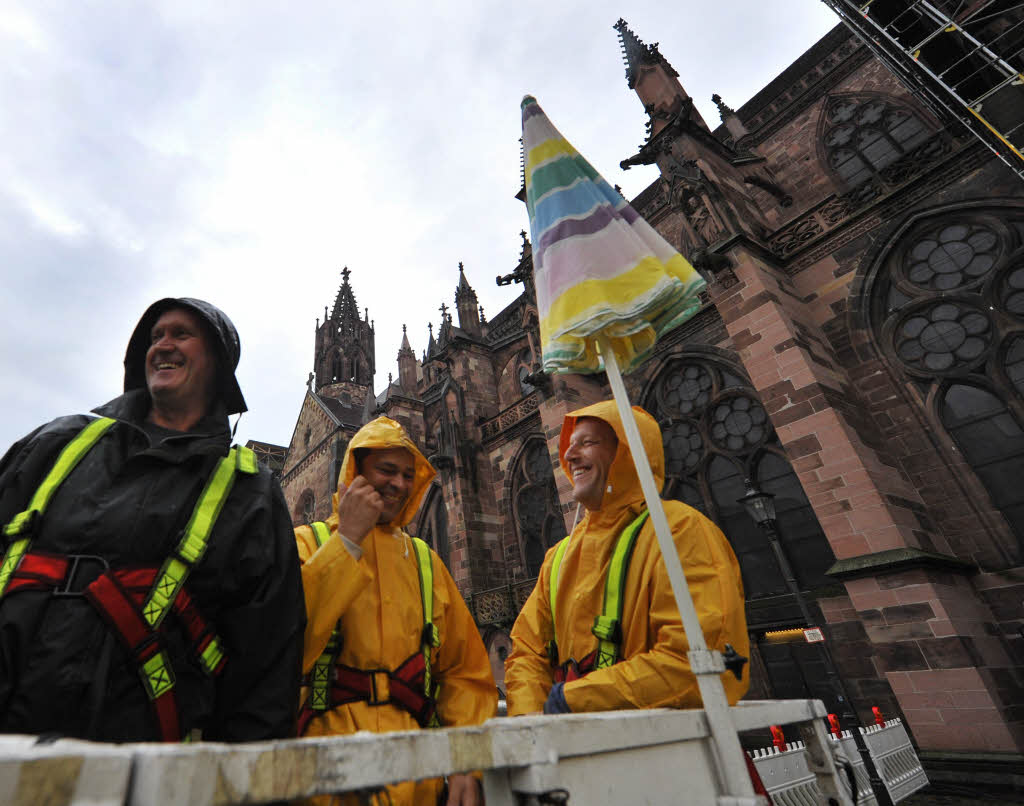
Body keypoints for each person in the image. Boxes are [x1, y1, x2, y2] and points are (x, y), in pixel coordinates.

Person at [0, 298, 305, 742]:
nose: (163, 344)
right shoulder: (59, 440)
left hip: (138, 759)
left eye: (181, 334)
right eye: (156, 335)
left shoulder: (248, 490)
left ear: (217, 363)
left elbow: (266, 661)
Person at [295, 416, 496, 806]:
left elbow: (465, 674)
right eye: (387, 470)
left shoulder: (425, 561)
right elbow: (285, 644)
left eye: (408, 475)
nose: (400, 484)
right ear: (354, 472)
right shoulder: (307, 543)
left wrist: (466, 760)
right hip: (324, 779)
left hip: (418, 779)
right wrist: (348, 541)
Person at [504, 400, 749, 716]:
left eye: (588, 443)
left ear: (627, 452)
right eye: (570, 445)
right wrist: (531, 721)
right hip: (575, 753)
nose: (569, 455)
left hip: (677, 753)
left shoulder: (678, 530)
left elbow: (698, 660)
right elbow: (527, 653)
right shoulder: (559, 556)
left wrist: (571, 701)